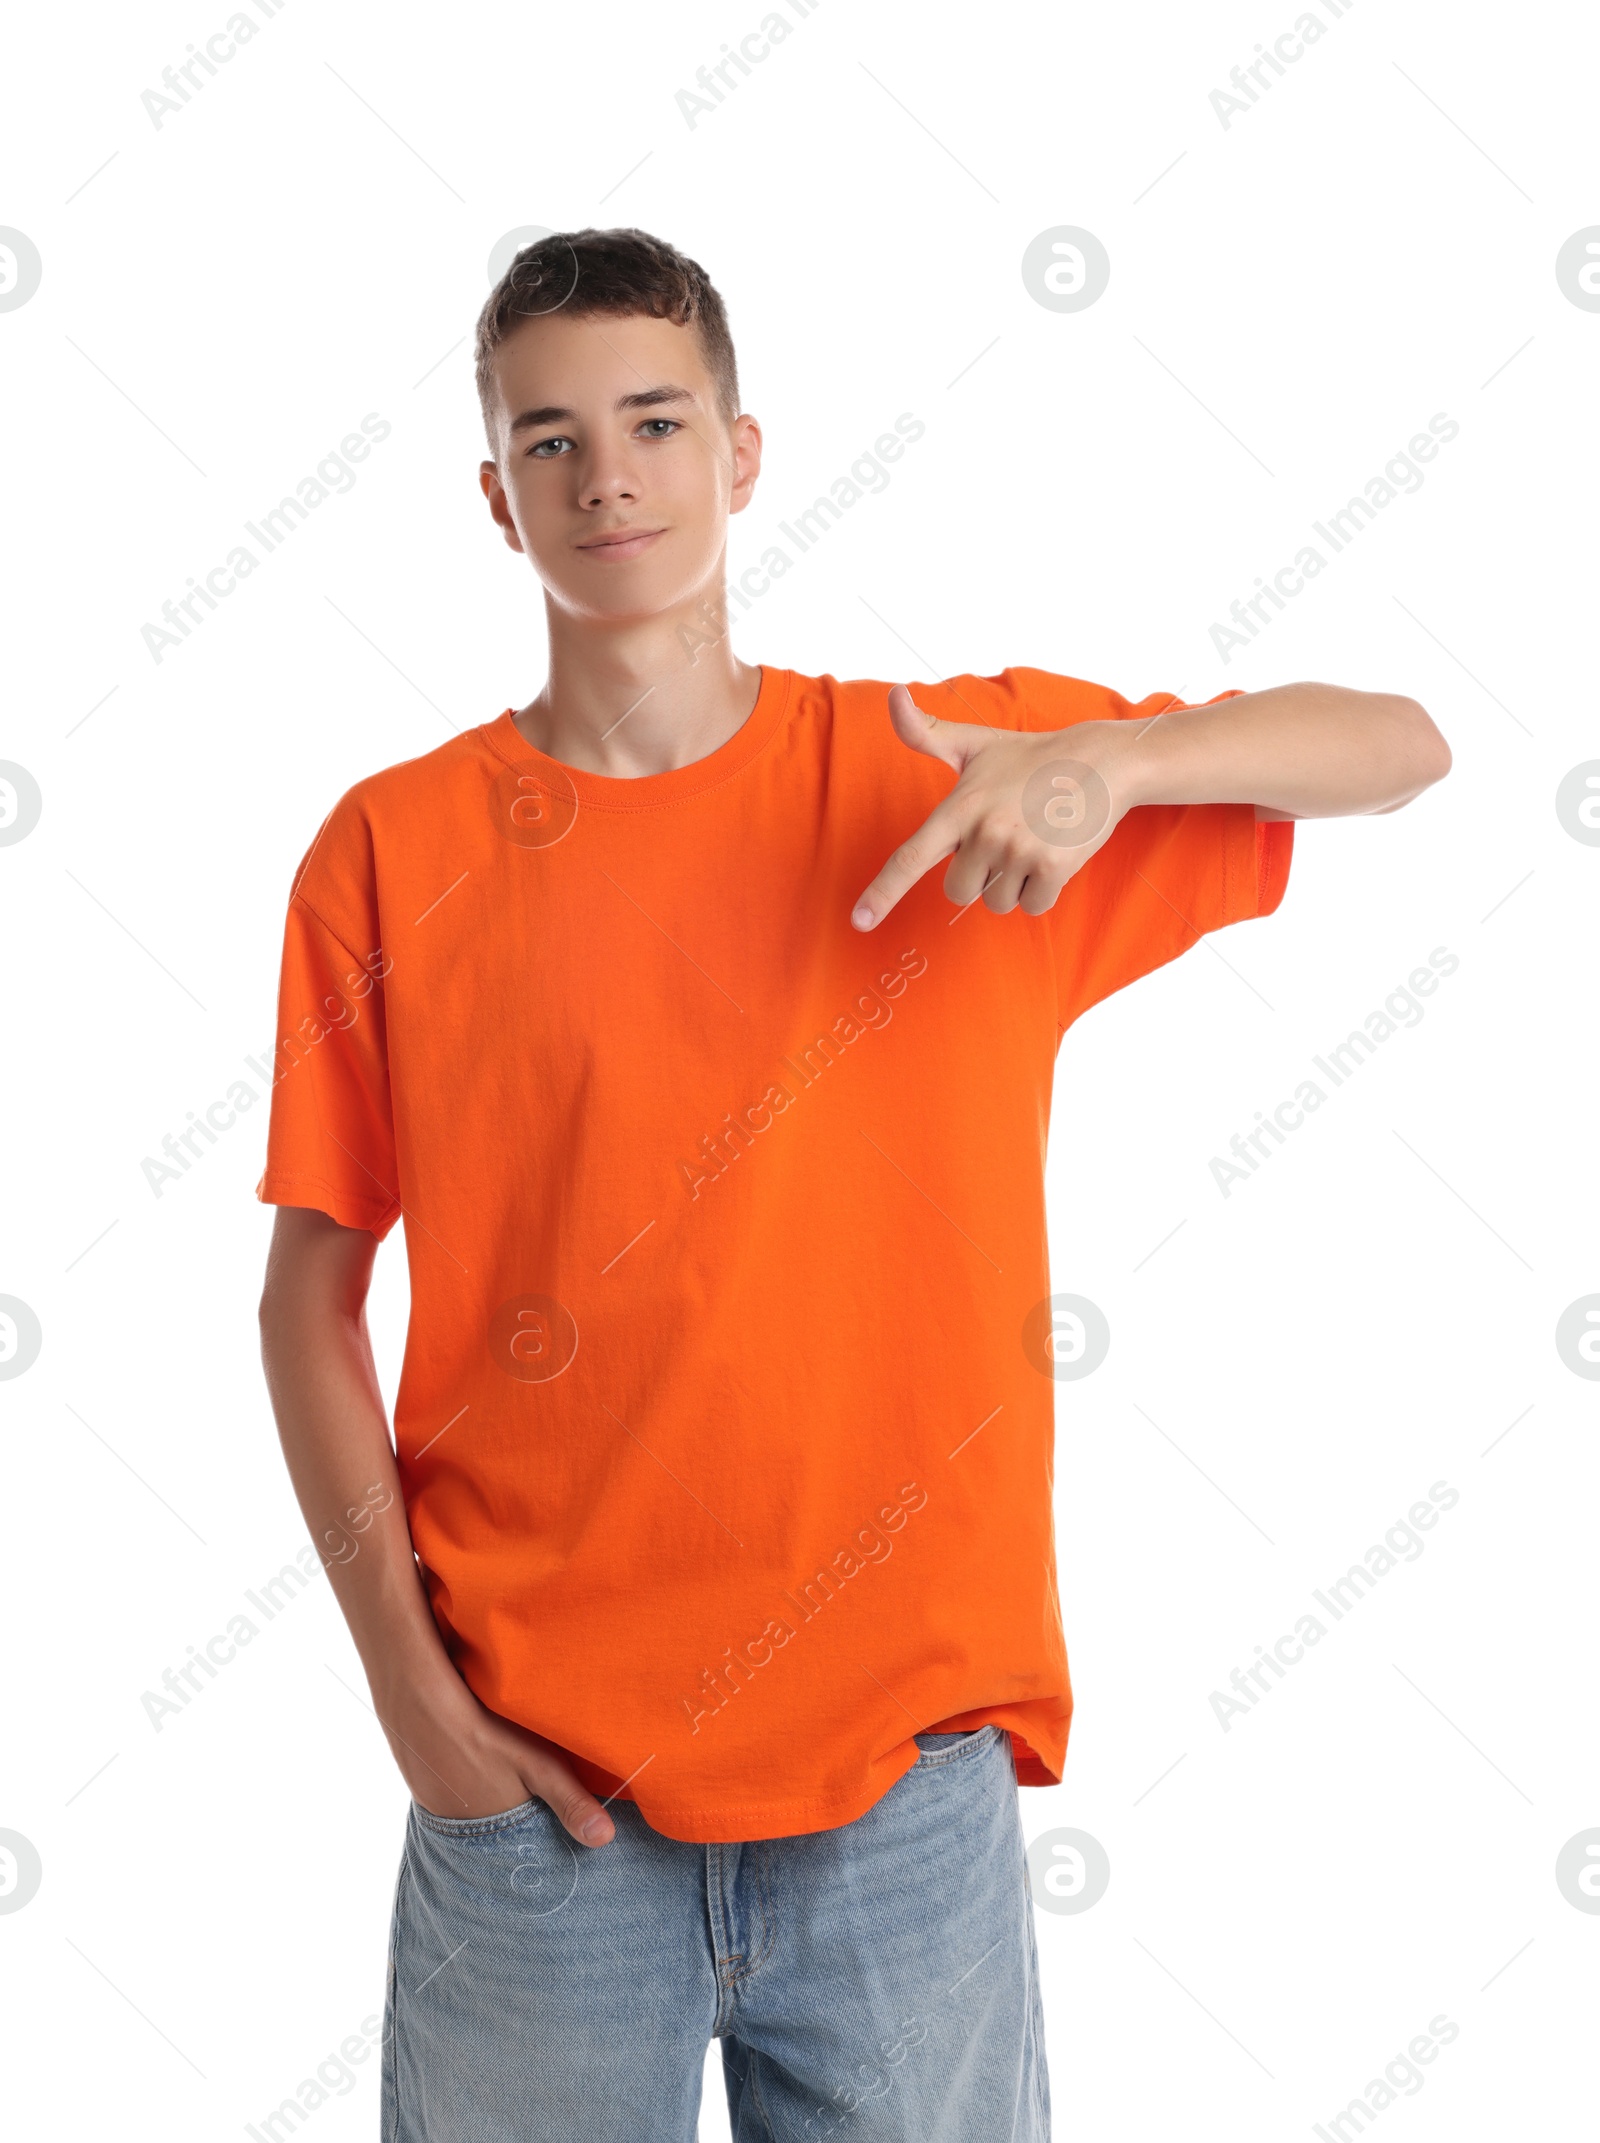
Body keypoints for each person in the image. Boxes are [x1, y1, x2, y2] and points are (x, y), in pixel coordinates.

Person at [255, 226, 1450, 2141]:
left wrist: (1116, 770)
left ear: (739, 453)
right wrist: (416, 1705)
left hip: (906, 1807)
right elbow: (307, 1297)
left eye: (654, 420)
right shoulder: (391, 853)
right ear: (496, 499)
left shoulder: (954, 778)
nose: (607, 476)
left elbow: (1402, 750)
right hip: (542, 1799)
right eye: (549, 441)